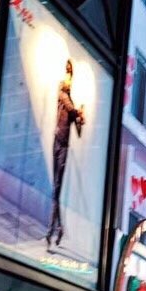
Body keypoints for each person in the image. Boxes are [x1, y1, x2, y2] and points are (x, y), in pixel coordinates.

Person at [46, 58, 86, 248]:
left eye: (69, 75)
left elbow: (78, 130)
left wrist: (81, 120)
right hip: (57, 141)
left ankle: (54, 228)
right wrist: (80, 113)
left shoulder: (70, 103)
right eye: (66, 74)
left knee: (57, 189)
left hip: (63, 146)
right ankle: (56, 228)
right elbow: (71, 108)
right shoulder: (63, 95)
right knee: (56, 188)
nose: (66, 79)